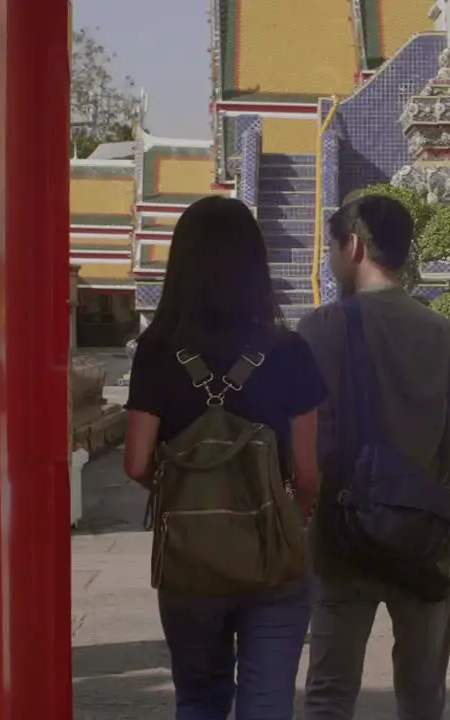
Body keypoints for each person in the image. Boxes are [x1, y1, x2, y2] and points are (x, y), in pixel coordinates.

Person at [122, 195, 326, 720]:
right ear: (255, 264)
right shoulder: (289, 350)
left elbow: (138, 462)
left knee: (200, 699)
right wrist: (289, 519)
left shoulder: (156, 351)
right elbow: (307, 473)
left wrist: (190, 497)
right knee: (266, 702)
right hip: (272, 555)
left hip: (190, 561)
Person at [297, 195, 450, 720]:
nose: (331, 260)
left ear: (353, 245)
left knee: (330, 693)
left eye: (333, 247)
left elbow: (302, 450)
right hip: (423, 538)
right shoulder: (449, 337)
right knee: (422, 693)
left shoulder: (317, 330)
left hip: (341, 536)